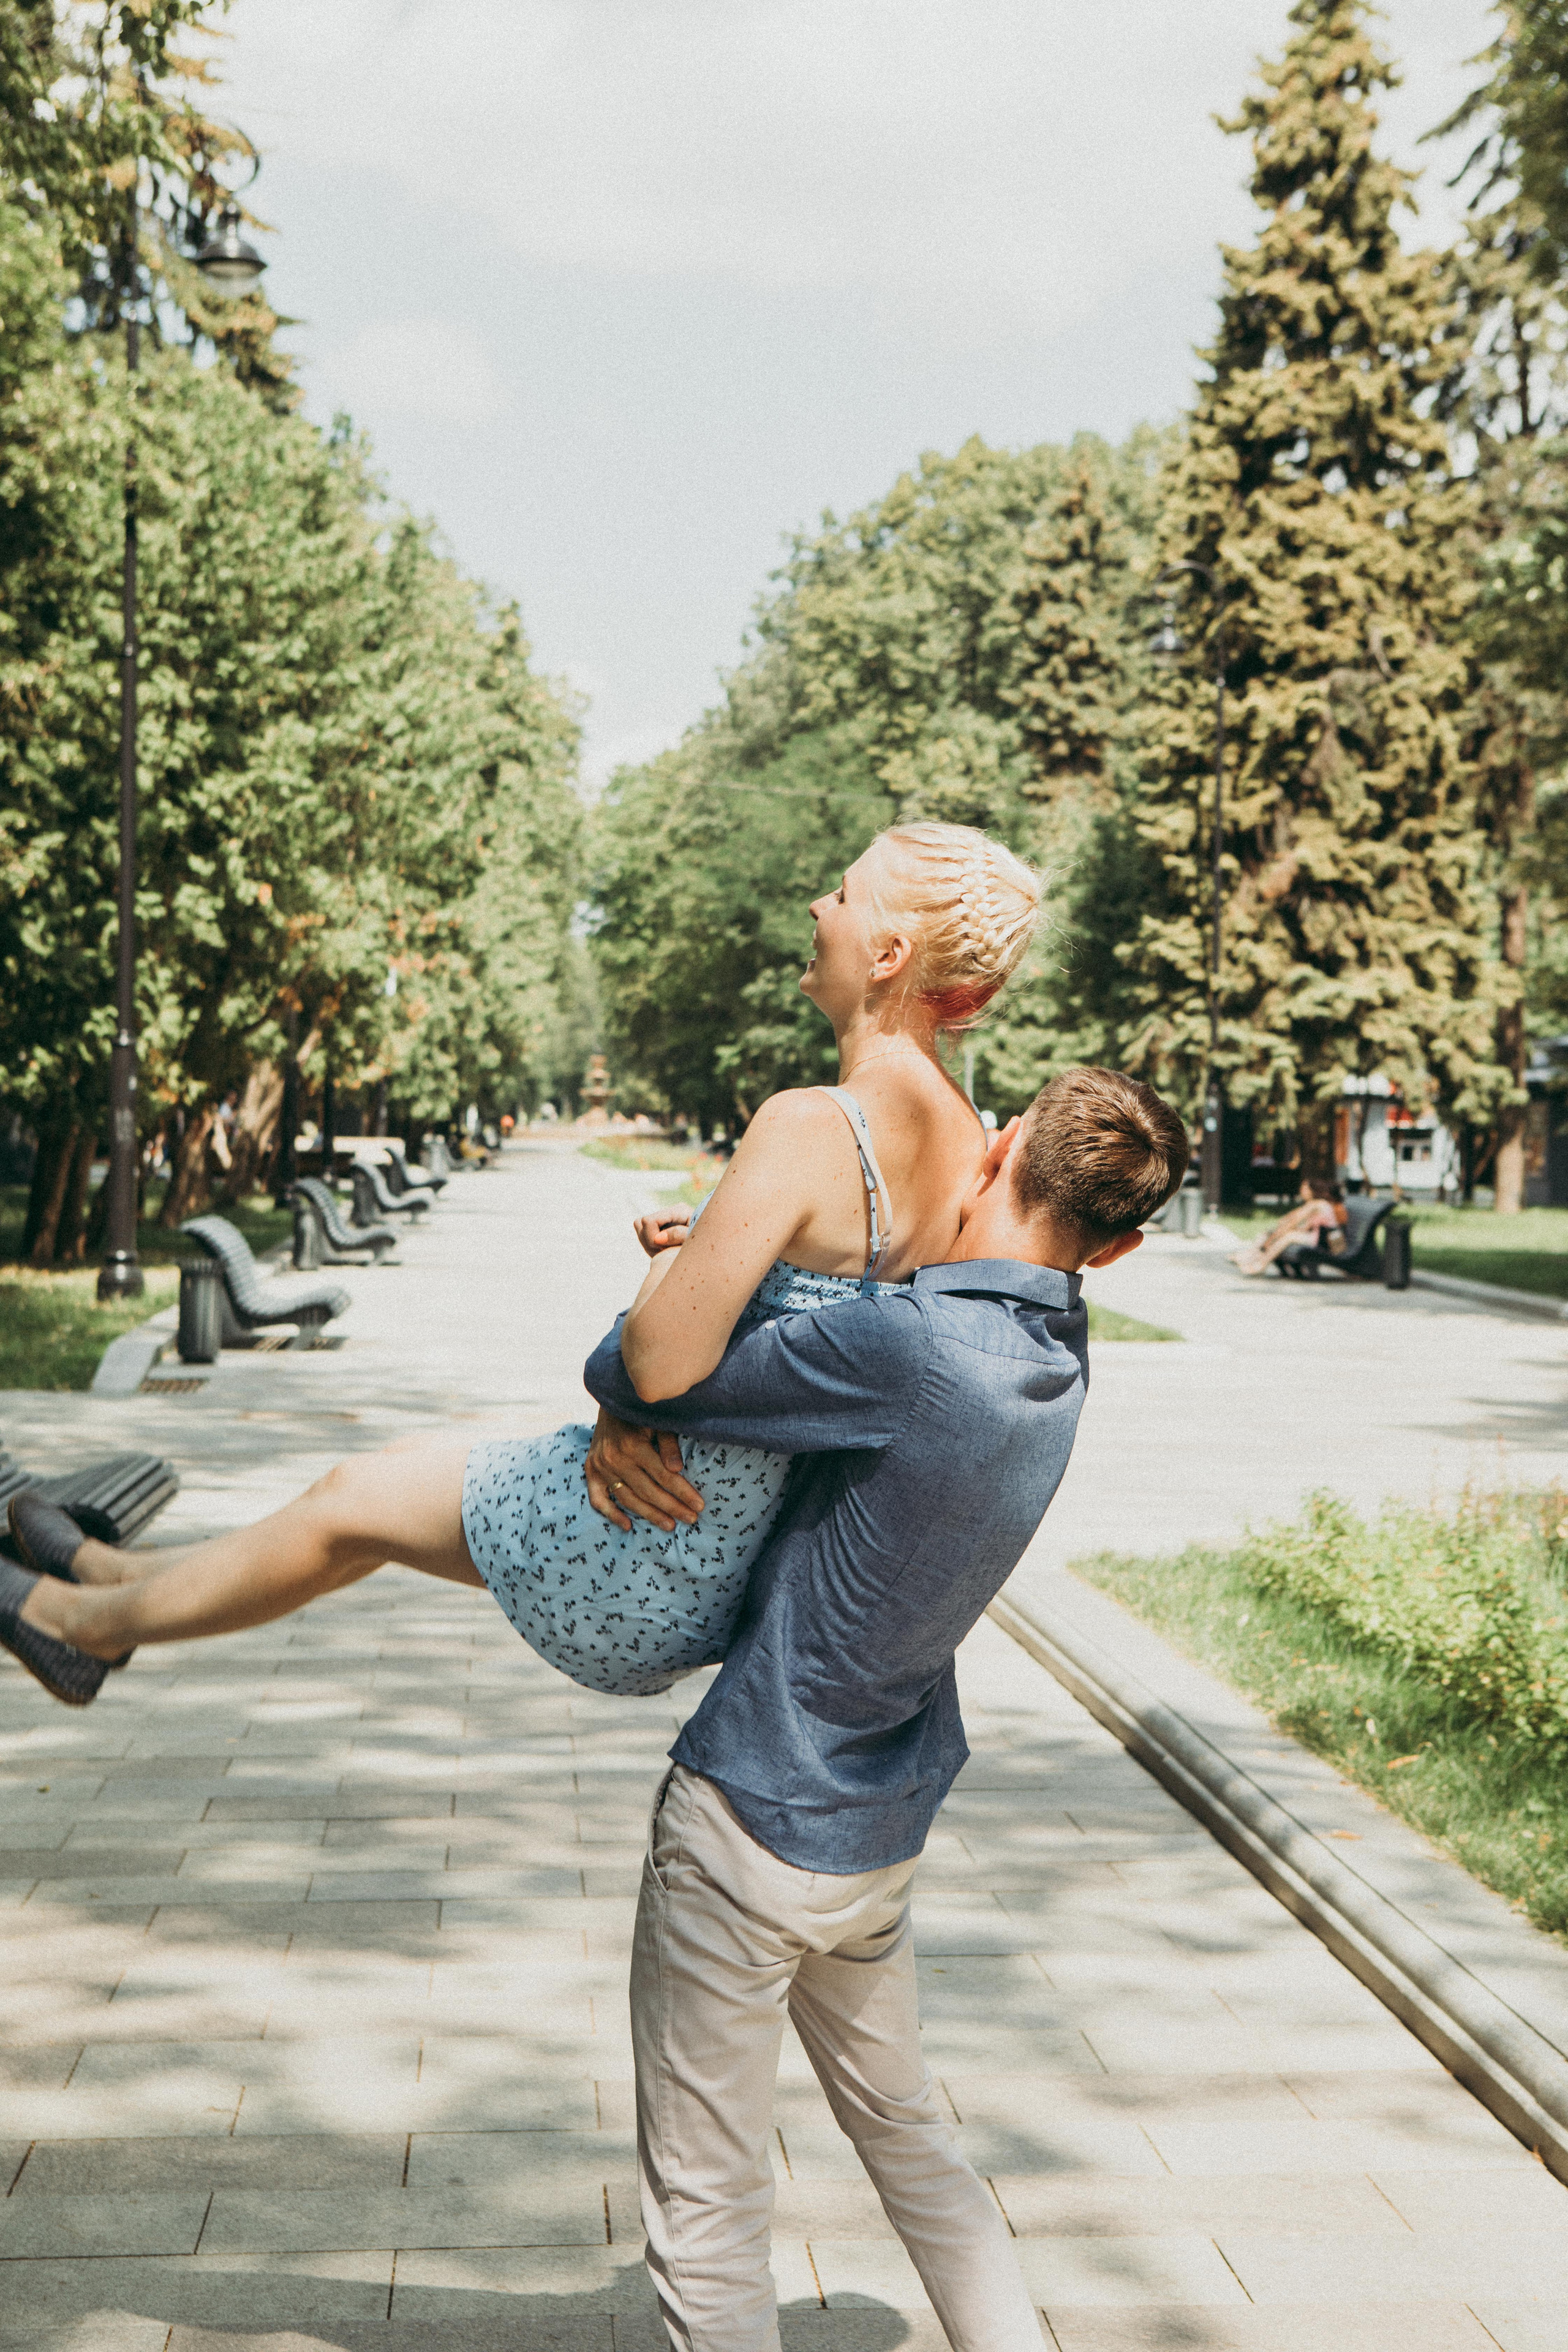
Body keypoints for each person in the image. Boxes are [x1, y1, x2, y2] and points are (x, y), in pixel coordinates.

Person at [0, 821, 1041, 1707]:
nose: (820, 904)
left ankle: (77, 1623)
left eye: (846, 894)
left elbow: (663, 1359)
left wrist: (652, 1329)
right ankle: (108, 1574)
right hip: (735, 1560)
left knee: (347, 1499)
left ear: (891, 953)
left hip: (643, 1538)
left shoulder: (812, 1121)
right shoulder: (969, 1138)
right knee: (357, 1516)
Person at [584, 1064, 1189, 2352]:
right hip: (875, 1836)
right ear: (1122, 1247)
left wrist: (682, 1272)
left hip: (749, 1818)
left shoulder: (905, 1348)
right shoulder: (1054, 1355)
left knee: (704, 2206)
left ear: (999, 1143)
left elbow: (642, 1366)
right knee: (908, 2135)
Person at [1231, 1176, 1347, 1276]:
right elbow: (1301, 1224)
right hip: (1319, 1237)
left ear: (1313, 1190)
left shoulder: (1318, 1204)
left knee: (1288, 1236)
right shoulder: (1316, 1205)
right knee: (1281, 1234)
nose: (1301, 1190)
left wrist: (1282, 1232)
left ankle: (1261, 1265)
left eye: (1305, 1188)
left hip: (1325, 1242)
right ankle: (1253, 1258)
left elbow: (1295, 1221)